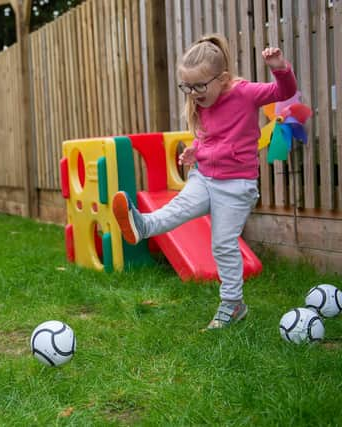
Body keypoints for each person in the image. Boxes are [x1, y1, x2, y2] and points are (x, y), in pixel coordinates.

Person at [112, 34, 297, 330]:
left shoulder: (244, 92)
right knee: (178, 208)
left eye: (199, 86)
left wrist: (279, 66)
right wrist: (194, 150)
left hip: (236, 186)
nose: (194, 93)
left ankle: (233, 304)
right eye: (187, 87)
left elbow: (284, 91)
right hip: (205, 176)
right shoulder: (201, 102)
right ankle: (142, 226)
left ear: (222, 78)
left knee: (222, 244)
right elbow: (210, 136)